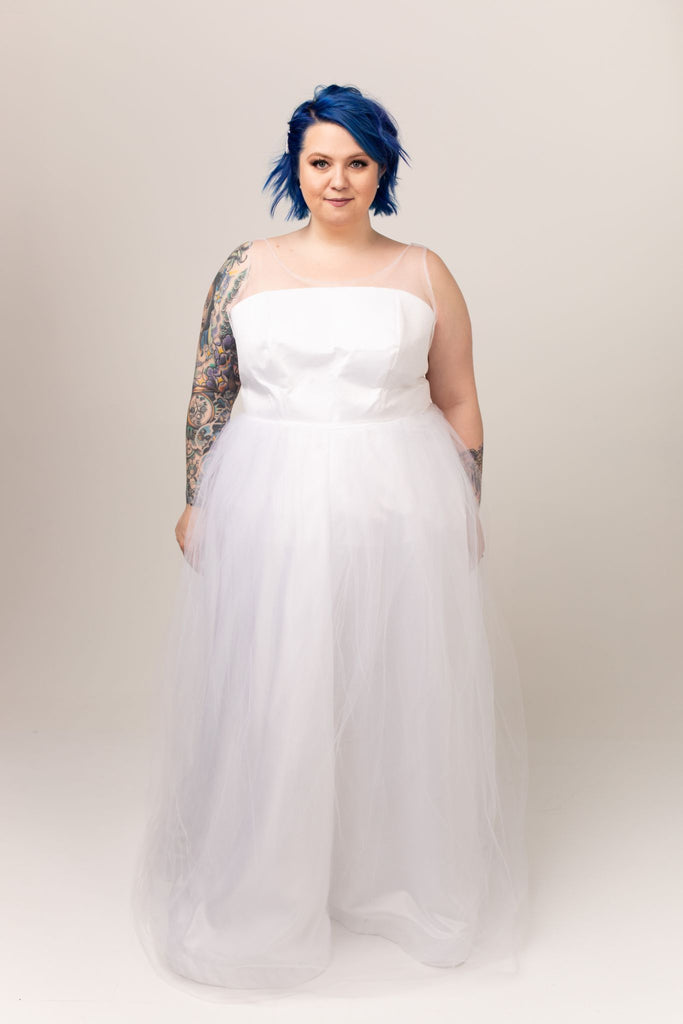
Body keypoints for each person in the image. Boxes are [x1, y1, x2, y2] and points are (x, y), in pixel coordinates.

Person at [130, 82, 529, 994]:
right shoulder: (245, 267)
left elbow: (458, 397)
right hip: (270, 493)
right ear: (295, 167)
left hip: (400, 495)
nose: (337, 180)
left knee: (396, 680)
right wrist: (196, 499)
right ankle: (270, 887)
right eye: (320, 161)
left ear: (382, 172)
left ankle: (384, 879)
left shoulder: (424, 272)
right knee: (281, 683)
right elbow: (210, 390)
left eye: (357, 162)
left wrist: (464, 503)